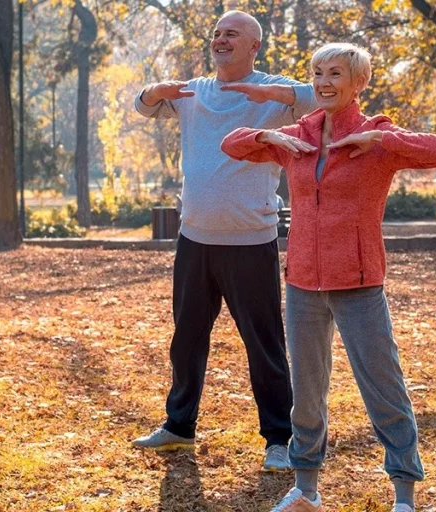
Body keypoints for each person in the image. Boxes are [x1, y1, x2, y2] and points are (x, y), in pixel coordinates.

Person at [221, 42, 436, 512]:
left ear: (358, 82)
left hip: (359, 283)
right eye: (318, 74)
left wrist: (382, 142)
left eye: (335, 74)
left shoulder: (376, 136)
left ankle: (404, 493)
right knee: (306, 393)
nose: (324, 83)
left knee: (383, 387)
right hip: (303, 282)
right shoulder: (298, 136)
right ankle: (306, 489)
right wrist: (270, 139)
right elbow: (232, 144)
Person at [130, 10, 318, 472]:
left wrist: (269, 93)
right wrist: (155, 91)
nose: (220, 39)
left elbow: (324, 97)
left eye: (231, 33)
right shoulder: (194, 91)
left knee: (264, 345)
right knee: (187, 338)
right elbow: (142, 105)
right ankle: (178, 426)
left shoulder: (277, 90)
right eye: (216, 33)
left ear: (254, 46)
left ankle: (280, 439)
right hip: (194, 238)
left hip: (251, 242)